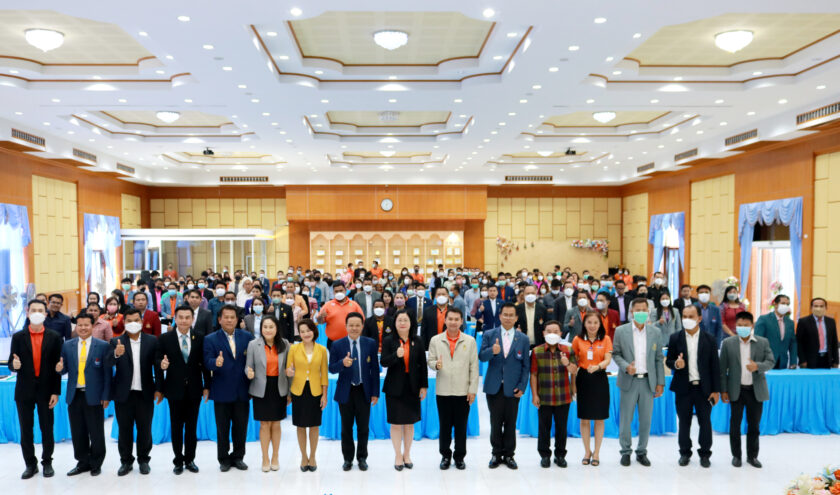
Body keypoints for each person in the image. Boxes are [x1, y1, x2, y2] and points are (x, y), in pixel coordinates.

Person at [8, 300, 62, 479]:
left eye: (40, 310)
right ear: (27, 312)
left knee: (47, 428)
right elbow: (12, 362)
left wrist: (56, 391)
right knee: (26, 430)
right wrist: (14, 365)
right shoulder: (18, 337)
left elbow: (58, 366)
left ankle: (47, 462)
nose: (37, 313)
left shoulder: (54, 337)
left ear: (45, 314)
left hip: (46, 390)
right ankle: (30, 464)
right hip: (24, 390)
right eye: (33, 310)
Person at [157, 305, 210, 474]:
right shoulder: (165, 338)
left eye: (187, 317)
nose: (184, 320)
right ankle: (178, 461)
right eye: (180, 317)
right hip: (174, 390)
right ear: (175, 318)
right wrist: (161, 366)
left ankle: (190, 459)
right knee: (176, 427)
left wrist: (207, 386)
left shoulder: (200, 337)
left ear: (192, 319)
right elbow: (158, 361)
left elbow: (204, 364)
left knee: (191, 427)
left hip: (194, 389)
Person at [665, 304, 720, 468]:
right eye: (684, 316)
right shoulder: (675, 338)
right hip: (683, 388)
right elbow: (669, 361)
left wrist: (716, 390)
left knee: (705, 422)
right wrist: (676, 364)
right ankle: (684, 453)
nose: (687, 319)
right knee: (684, 422)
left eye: (691, 316)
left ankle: (705, 453)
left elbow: (715, 367)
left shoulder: (709, 339)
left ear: (699, 318)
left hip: (704, 389)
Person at [57, 312, 111, 476]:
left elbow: (107, 374)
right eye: (79, 325)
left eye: (86, 325)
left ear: (92, 326)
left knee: (96, 432)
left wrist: (106, 396)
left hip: (94, 395)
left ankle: (96, 463)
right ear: (76, 327)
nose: (83, 328)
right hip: (74, 395)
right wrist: (60, 369)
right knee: (77, 432)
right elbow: (64, 368)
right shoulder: (68, 345)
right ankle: (82, 462)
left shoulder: (102, 346)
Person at [110, 308, 163, 476]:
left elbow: (158, 367)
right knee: (124, 430)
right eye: (129, 321)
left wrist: (159, 389)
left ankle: (144, 460)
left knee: (144, 429)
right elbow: (107, 364)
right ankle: (126, 461)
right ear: (124, 323)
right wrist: (115, 354)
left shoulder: (152, 341)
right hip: (123, 394)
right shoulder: (116, 341)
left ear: (142, 322)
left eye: (136, 320)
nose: (133, 323)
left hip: (145, 392)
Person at [612, 298, 664, 467]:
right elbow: (616, 354)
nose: (641, 312)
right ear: (631, 312)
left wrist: (660, 382)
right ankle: (625, 451)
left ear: (648, 312)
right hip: (629, 381)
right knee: (626, 419)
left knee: (646, 420)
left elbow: (658, 358)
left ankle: (642, 452)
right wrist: (626, 367)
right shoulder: (621, 331)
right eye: (637, 310)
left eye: (644, 310)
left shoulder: (655, 332)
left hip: (648, 382)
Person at [719, 311, 775, 468]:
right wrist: (723, 390)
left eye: (746, 325)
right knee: (735, 425)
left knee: (754, 426)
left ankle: (752, 456)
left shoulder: (762, 342)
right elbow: (722, 369)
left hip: (755, 391)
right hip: (736, 390)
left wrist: (758, 366)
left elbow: (771, 361)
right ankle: (736, 456)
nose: (742, 328)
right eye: (739, 325)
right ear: (735, 326)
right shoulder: (728, 343)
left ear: (752, 326)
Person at [203, 305, 255, 471]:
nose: (229, 320)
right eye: (226, 317)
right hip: (221, 390)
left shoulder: (247, 337)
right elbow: (206, 362)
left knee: (241, 427)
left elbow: (252, 361)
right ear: (219, 320)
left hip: (242, 390)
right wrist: (215, 363)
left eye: (232, 317)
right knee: (222, 428)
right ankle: (224, 459)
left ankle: (238, 457)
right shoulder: (210, 339)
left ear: (237, 319)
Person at [479, 303, 530, 469]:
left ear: (516, 318)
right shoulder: (489, 334)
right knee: (495, 422)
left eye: (511, 315)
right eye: (505, 315)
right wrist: (492, 351)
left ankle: (509, 455)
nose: (508, 318)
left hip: (513, 388)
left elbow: (526, 366)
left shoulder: (523, 339)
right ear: (500, 316)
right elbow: (482, 357)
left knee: (510, 423)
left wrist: (522, 386)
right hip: (494, 387)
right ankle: (496, 453)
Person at [328, 312, 380, 471]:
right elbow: (332, 368)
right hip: (346, 391)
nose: (354, 328)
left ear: (362, 326)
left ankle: (362, 458)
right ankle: (348, 459)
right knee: (346, 428)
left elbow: (374, 370)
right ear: (346, 326)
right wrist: (342, 363)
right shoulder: (337, 345)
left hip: (364, 390)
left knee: (363, 427)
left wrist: (375, 393)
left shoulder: (370, 343)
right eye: (351, 325)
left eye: (357, 325)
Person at [428, 308, 479, 470]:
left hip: (462, 391)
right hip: (443, 391)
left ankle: (459, 457)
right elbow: (430, 360)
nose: (453, 322)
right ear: (445, 320)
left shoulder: (470, 341)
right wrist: (436, 365)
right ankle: (445, 455)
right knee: (444, 426)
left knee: (461, 427)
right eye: (450, 319)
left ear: (462, 321)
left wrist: (472, 390)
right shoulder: (436, 340)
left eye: (457, 319)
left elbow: (474, 367)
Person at [381, 309, 428, 470]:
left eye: (405, 320)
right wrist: (396, 355)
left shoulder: (418, 340)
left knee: (409, 423)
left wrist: (424, 386)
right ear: (394, 323)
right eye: (399, 320)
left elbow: (423, 365)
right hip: (394, 387)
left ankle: (407, 454)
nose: (402, 323)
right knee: (395, 423)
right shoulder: (388, 340)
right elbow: (383, 362)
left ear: (411, 323)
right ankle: (397, 455)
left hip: (412, 387)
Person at [245, 316, 290, 472]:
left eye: (271, 327)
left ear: (276, 328)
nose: (268, 330)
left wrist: (289, 392)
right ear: (261, 329)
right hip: (261, 388)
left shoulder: (285, 344)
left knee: (276, 424)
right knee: (264, 424)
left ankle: (275, 457)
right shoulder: (253, 344)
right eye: (265, 327)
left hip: (279, 387)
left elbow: (288, 369)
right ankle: (265, 458)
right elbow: (248, 366)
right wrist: (249, 373)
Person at [530, 320, 578, 468]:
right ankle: (545, 455)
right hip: (544, 396)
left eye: (555, 331)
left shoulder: (568, 350)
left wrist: (566, 363)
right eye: (549, 331)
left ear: (561, 333)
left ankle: (560, 455)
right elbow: (534, 374)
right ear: (543, 333)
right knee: (544, 428)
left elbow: (574, 370)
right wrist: (535, 395)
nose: (552, 334)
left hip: (564, 396)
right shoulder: (537, 351)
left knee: (561, 428)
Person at [287, 319, 329, 472]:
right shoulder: (294, 349)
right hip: (298, 390)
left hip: (315, 391)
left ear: (314, 331)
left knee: (314, 425)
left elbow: (324, 374)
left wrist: (324, 395)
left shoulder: (322, 350)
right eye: (302, 331)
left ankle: (312, 456)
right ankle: (303, 456)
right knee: (300, 425)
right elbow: (288, 370)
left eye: (308, 330)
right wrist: (288, 372)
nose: (305, 334)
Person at [572, 311, 613, 466]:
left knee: (599, 418)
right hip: (583, 378)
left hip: (599, 378)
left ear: (600, 324)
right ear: (584, 323)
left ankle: (596, 453)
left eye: (596, 322)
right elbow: (574, 363)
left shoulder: (606, 339)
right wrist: (573, 384)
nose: (592, 326)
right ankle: (587, 451)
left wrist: (597, 366)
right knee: (584, 417)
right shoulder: (577, 339)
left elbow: (608, 359)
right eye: (589, 322)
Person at [754, 294, 798, 369]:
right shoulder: (764, 319)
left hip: (783, 362)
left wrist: (793, 362)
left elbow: (792, 343)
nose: (785, 306)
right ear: (775, 304)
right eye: (783, 303)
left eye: (787, 304)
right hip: (766, 361)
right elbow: (758, 341)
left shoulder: (790, 322)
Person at [317, 282, 363, 350]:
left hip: (351, 341)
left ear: (345, 290)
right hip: (333, 342)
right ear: (333, 292)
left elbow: (362, 320)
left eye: (341, 290)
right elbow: (320, 322)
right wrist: (321, 317)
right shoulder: (327, 305)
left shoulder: (354, 304)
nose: (339, 293)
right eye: (336, 291)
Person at [796, 297, 839, 368]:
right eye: (816, 306)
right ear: (811, 308)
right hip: (809, 361)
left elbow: (834, 342)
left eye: (821, 306)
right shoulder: (803, 322)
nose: (818, 308)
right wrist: (802, 360)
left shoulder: (831, 321)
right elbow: (799, 343)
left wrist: (836, 361)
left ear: (826, 308)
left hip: (827, 360)